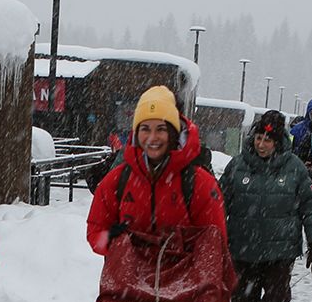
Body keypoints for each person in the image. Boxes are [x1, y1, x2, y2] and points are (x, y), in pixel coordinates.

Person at [220, 110, 312, 302]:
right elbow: (218, 205)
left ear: (278, 142)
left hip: (279, 253)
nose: (262, 144)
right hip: (242, 250)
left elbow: (310, 207)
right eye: (259, 137)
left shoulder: (295, 168)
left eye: (268, 139)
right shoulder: (237, 166)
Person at [85, 85, 228, 254]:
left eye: (161, 129)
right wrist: (110, 239)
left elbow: (215, 245)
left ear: (173, 133)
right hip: (128, 279)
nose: (152, 138)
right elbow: (96, 233)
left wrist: (183, 251)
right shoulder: (118, 179)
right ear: (136, 133)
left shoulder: (199, 183)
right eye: (145, 129)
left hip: (182, 279)